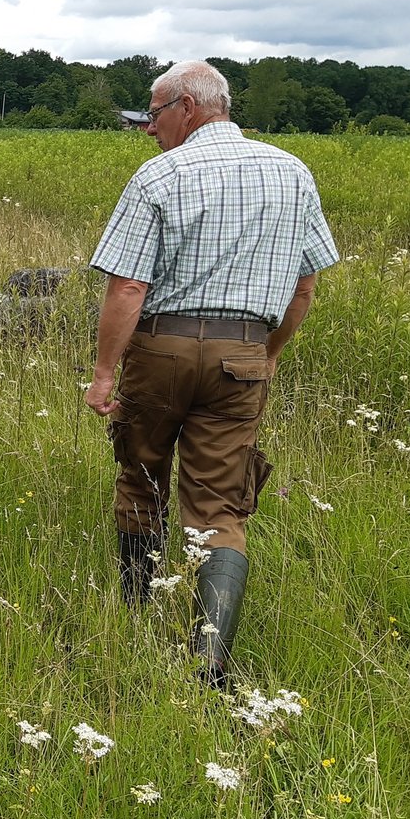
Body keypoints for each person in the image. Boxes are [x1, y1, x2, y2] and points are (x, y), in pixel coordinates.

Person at [84, 60, 340, 691]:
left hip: (163, 349)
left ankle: (138, 612)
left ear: (188, 109)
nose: (148, 128)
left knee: (142, 476)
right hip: (244, 355)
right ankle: (209, 658)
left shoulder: (159, 176)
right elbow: (306, 284)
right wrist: (269, 350)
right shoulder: (292, 172)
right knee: (220, 507)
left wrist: (103, 373)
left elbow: (129, 285)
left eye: (154, 113)